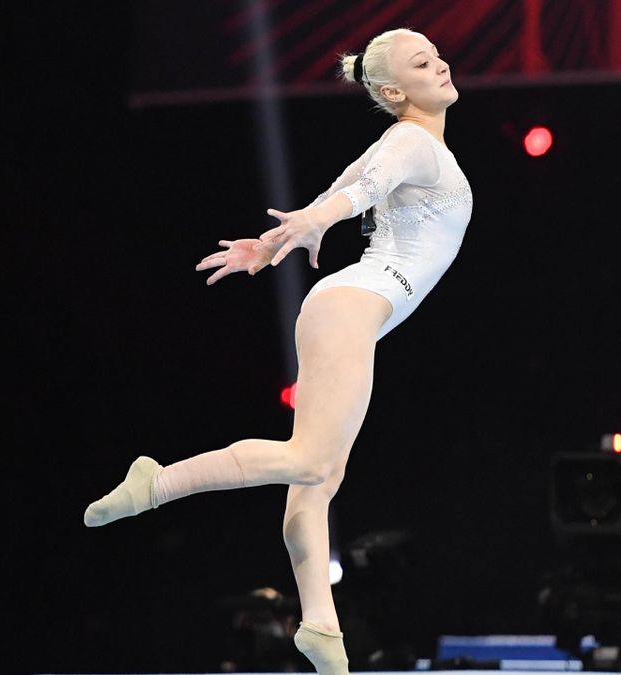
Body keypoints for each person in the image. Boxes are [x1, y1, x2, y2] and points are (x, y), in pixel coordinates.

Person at [85, 27, 471, 675]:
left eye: (436, 53)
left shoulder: (410, 144)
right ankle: (157, 482)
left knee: (318, 477)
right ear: (391, 90)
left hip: (348, 309)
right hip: (352, 306)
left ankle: (320, 621)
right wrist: (315, 223)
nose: (441, 63)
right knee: (310, 459)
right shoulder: (407, 140)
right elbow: (359, 192)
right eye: (421, 61)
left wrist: (270, 245)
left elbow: (341, 190)